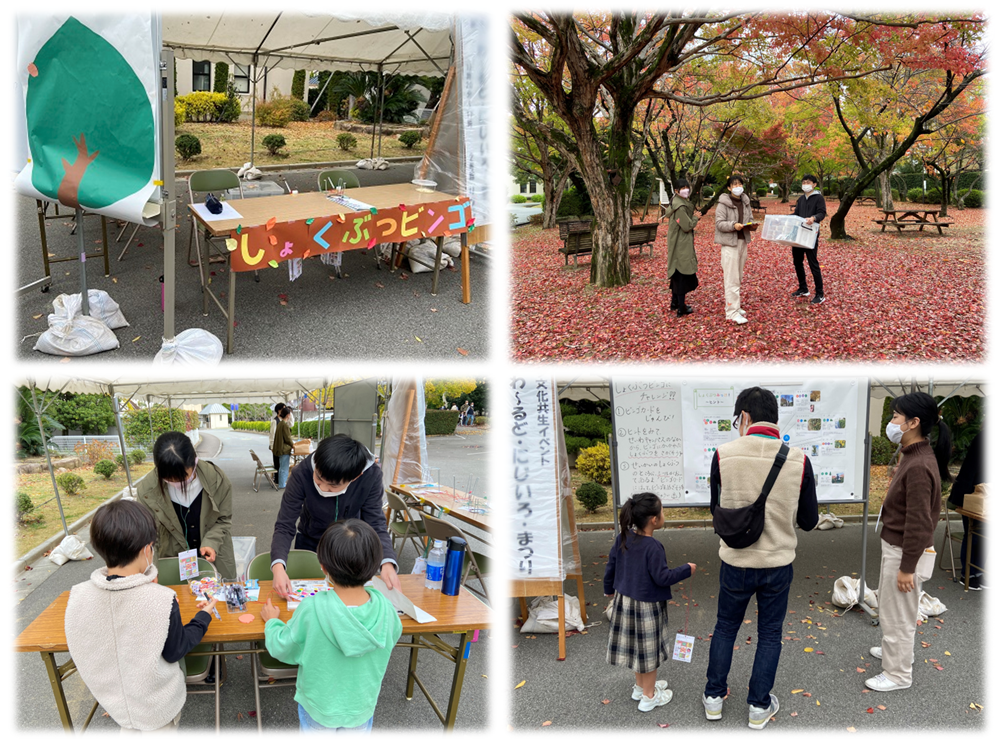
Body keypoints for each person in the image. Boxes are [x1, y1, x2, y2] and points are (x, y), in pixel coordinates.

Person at [703, 387, 818, 729]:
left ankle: (713, 698)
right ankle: (758, 706)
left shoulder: (723, 454)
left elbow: (716, 508)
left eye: (738, 419)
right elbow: (810, 521)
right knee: (770, 634)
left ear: (746, 417)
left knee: (725, 627)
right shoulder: (799, 459)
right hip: (777, 563)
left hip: (736, 562)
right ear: (775, 418)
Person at [64, 499, 219, 732]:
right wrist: (203, 617)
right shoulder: (161, 599)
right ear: (147, 549)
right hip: (158, 710)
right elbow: (176, 649)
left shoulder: (77, 595)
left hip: (116, 704)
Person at [260, 519, 402, 731]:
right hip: (361, 709)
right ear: (375, 567)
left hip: (319, 709)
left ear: (323, 567)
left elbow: (282, 647)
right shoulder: (387, 610)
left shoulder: (312, 609)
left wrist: (272, 622)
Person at [867, 392, 953, 692]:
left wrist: (906, 568)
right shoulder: (914, 455)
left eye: (895, 417)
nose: (891, 423)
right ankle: (897, 655)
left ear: (914, 422)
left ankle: (898, 674)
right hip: (899, 548)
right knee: (896, 608)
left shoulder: (918, 465)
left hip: (905, 551)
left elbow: (919, 523)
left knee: (898, 614)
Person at [269, 434, 402, 597]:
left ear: (355, 476)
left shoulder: (370, 476)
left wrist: (386, 562)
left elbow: (376, 524)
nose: (323, 489)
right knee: (309, 602)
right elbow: (285, 524)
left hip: (351, 546)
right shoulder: (301, 473)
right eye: (318, 478)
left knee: (347, 602)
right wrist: (278, 567)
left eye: (332, 485)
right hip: (311, 542)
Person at [604, 492, 695, 712]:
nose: (663, 514)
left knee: (638, 649)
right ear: (654, 519)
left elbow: (611, 566)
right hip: (646, 607)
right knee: (649, 653)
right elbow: (662, 577)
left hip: (624, 602)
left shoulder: (623, 537)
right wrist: (686, 569)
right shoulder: (653, 547)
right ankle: (649, 696)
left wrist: (608, 589)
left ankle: (640, 687)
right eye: (662, 511)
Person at [136, 431, 237, 578]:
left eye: (183, 477)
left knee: (217, 596)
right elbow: (147, 537)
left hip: (214, 557)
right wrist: (151, 573)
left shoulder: (217, 480)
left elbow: (223, 519)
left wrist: (211, 542)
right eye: (169, 479)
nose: (177, 483)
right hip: (171, 560)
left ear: (194, 460)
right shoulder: (147, 491)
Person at [947, 429, 985, 589]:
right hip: (971, 492)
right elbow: (971, 469)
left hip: (985, 492)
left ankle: (980, 572)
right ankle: (968, 574)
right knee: (973, 534)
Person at [714, 175, 753, 325]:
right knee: (731, 278)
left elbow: (749, 217)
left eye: (740, 184)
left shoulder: (745, 201)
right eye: (734, 184)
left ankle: (735, 306)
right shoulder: (723, 204)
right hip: (730, 244)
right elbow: (719, 224)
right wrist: (733, 225)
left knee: (738, 276)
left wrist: (751, 225)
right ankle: (731, 312)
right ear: (729, 187)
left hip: (743, 241)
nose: (738, 187)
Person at [664, 178, 700, 317]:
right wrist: (696, 217)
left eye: (687, 187)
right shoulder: (680, 206)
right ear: (676, 191)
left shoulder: (676, 202)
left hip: (677, 242)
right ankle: (681, 307)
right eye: (682, 188)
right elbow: (686, 226)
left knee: (677, 273)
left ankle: (675, 302)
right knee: (682, 275)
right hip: (681, 244)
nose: (686, 190)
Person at [790, 174, 826, 304]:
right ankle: (803, 288)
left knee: (812, 263)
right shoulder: (801, 199)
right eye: (804, 182)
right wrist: (785, 218)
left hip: (810, 234)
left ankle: (820, 293)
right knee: (797, 261)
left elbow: (822, 213)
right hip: (798, 234)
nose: (805, 184)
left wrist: (814, 218)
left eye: (808, 182)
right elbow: (796, 214)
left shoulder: (818, 198)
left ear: (814, 184)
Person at [274, 407, 294, 488]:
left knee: (282, 467)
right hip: (284, 449)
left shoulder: (279, 424)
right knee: (284, 468)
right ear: (288, 415)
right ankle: (282, 484)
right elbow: (288, 438)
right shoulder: (284, 425)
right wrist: (293, 445)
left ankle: (281, 483)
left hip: (279, 449)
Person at [269, 402, 287, 472]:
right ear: (279, 410)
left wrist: (289, 414)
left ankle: (279, 480)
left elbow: (291, 424)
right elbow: (272, 435)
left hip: (282, 446)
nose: (285, 410)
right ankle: (277, 481)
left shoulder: (284, 420)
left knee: (281, 465)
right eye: (284, 409)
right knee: (278, 465)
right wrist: (272, 446)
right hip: (276, 446)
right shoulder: (275, 421)